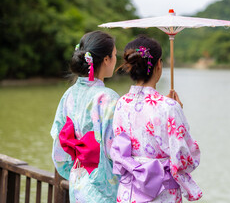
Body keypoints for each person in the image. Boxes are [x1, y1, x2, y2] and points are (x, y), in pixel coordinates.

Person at [111, 35, 202, 203]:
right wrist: (177, 113)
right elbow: (186, 158)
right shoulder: (169, 107)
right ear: (158, 65)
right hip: (161, 193)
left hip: (128, 192)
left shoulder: (121, 103)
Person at [51, 31, 120, 203]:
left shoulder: (69, 94)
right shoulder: (107, 97)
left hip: (78, 179)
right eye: (114, 55)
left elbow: (60, 140)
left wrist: (72, 169)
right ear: (106, 59)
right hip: (103, 184)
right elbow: (117, 148)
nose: (115, 59)